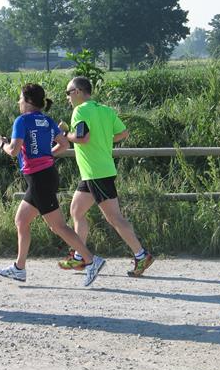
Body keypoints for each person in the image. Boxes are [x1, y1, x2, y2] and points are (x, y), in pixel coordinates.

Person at [0, 83, 105, 287]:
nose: (19, 102)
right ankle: (19, 268)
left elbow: (13, 150)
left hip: (39, 179)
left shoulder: (22, 120)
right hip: (46, 176)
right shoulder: (47, 120)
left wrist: (2, 144)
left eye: (20, 98)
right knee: (21, 220)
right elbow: (64, 144)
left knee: (58, 226)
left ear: (28, 101)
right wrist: (46, 155)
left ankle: (91, 260)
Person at [58, 76, 154, 277]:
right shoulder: (106, 110)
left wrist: (64, 135)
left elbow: (82, 138)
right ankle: (79, 257)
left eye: (68, 93)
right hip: (93, 173)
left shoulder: (80, 111)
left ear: (77, 91)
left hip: (97, 173)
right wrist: (103, 140)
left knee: (114, 218)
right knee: (76, 211)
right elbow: (124, 133)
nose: (67, 97)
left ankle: (141, 255)